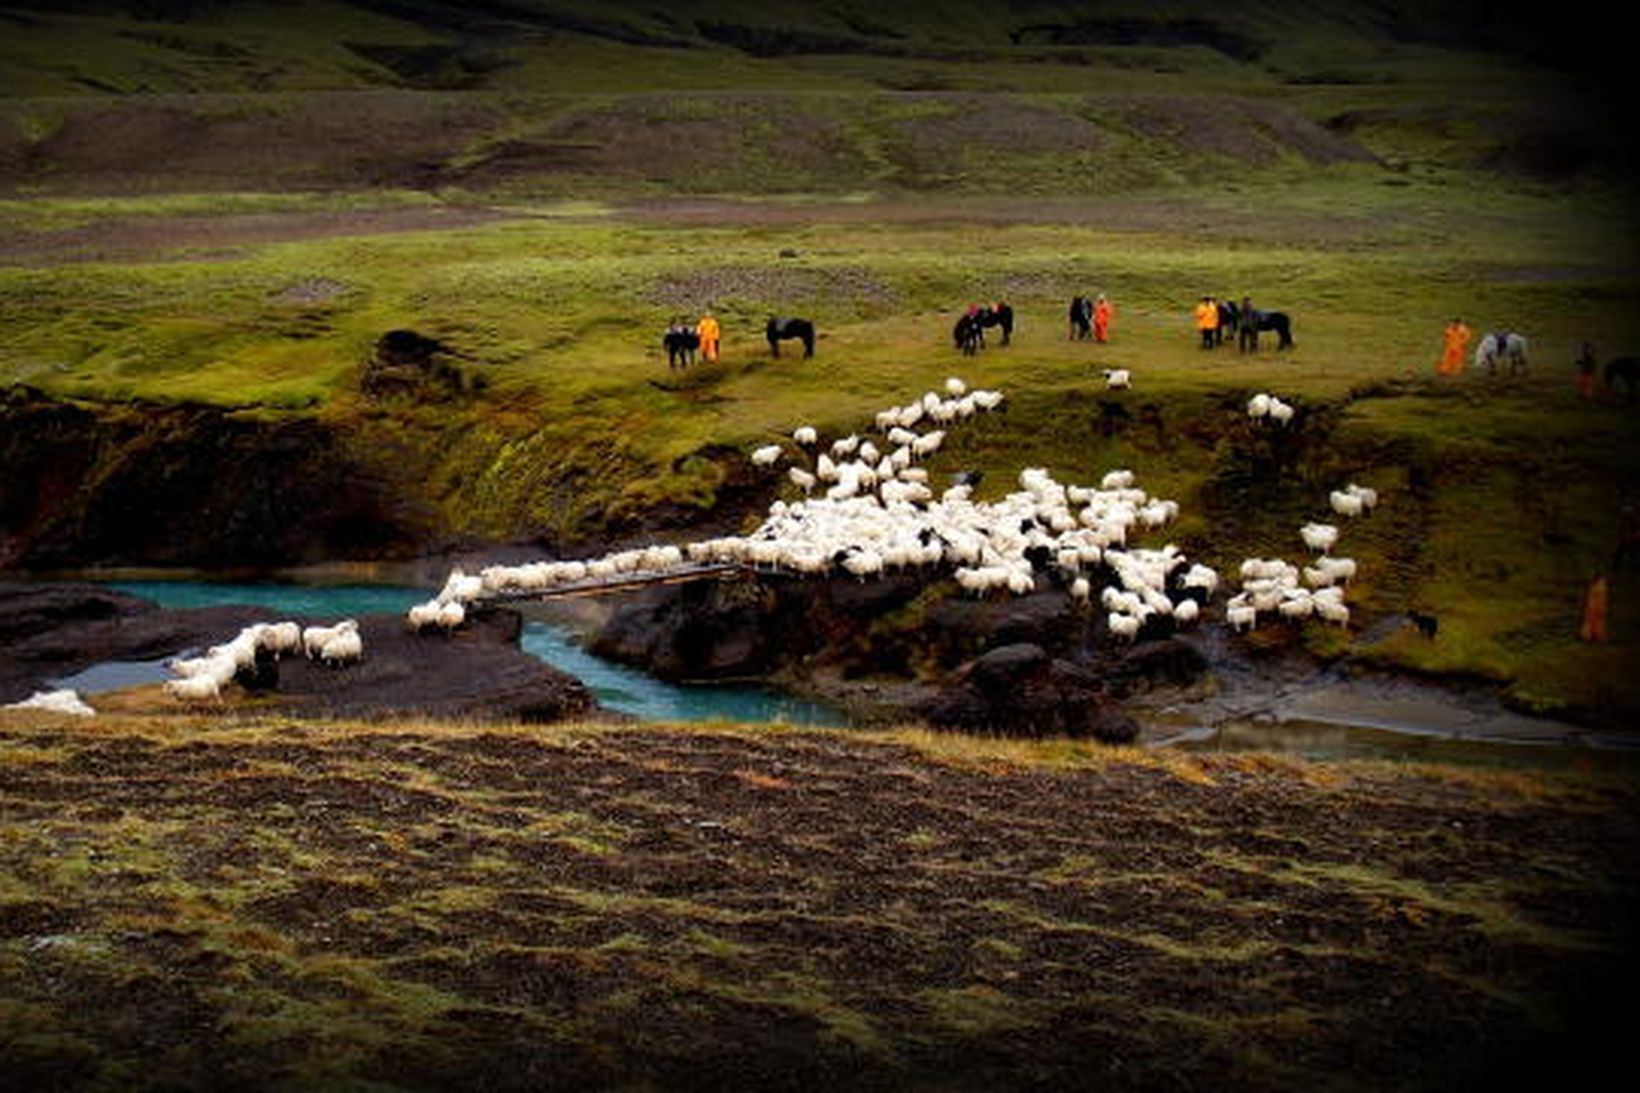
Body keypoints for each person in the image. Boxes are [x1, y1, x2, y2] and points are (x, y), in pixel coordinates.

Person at [1579, 571, 1610, 642]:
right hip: (1594, 608)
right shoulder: (1598, 588)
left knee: (1596, 621)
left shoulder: (1598, 588)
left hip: (1595, 608)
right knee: (1593, 620)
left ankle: (1595, 635)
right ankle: (1592, 635)